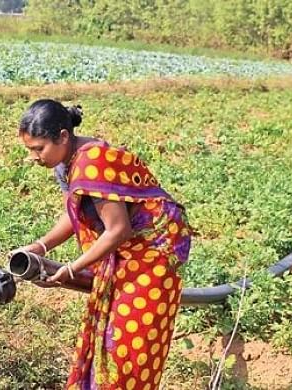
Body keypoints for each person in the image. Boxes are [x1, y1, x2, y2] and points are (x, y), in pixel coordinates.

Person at [16, 99, 192, 390]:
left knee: (131, 338)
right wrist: (41, 246)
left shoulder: (91, 163)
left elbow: (118, 230)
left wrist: (72, 269)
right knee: (109, 328)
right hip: (130, 248)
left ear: (62, 136)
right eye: (29, 149)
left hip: (155, 250)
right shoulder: (67, 161)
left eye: (38, 148)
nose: (34, 157)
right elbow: (75, 213)